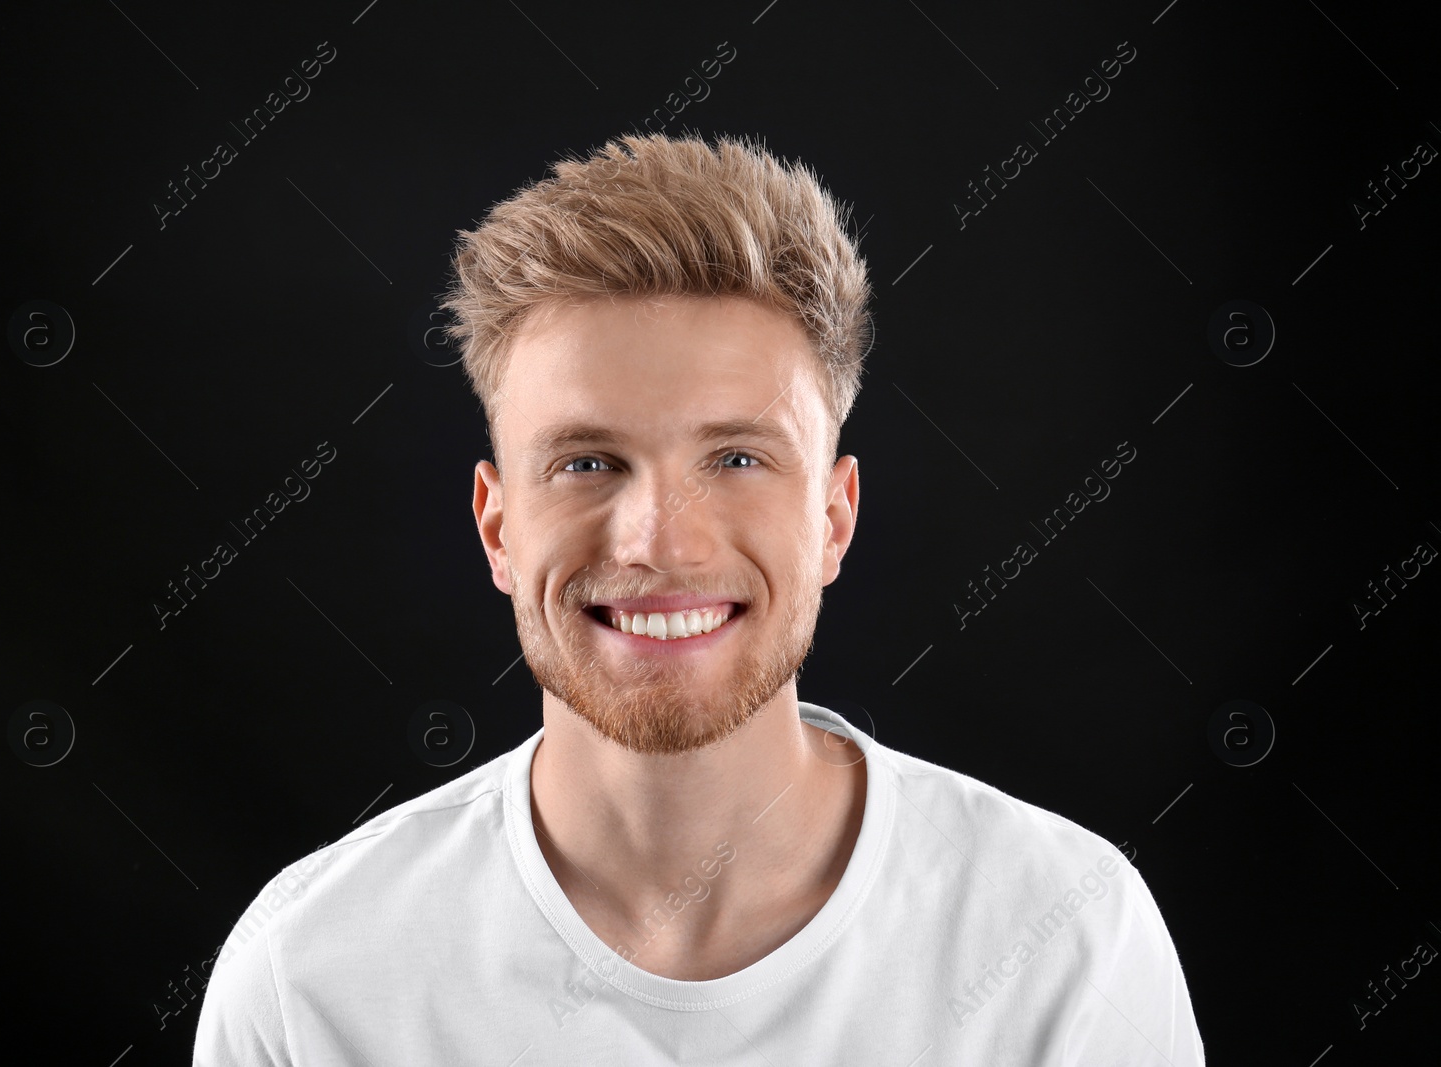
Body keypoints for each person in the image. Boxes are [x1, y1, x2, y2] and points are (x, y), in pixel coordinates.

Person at [193, 131, 1205, 1064]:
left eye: (735, 455)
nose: (660, 540)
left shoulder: (1065, 942)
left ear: (833, 519)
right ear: (498, 527)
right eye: (588, 460)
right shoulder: (310, 975)